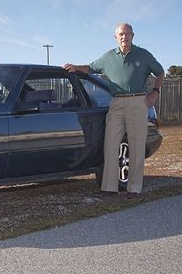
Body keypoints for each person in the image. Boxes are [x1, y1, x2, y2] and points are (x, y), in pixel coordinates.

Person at [63, 23, 164, 199]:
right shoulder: (108, 57)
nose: (124, 37)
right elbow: (91, 68)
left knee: (136, 146)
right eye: (121, 34)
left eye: (127, 34)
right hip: (116, 103)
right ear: (115, 37)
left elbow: (160, 73)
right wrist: (75, 67)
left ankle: (133, 189)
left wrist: (155, 92)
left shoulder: (144, 55)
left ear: (133, 35)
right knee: (110, 144)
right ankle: (109, 188)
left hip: (138, 102)